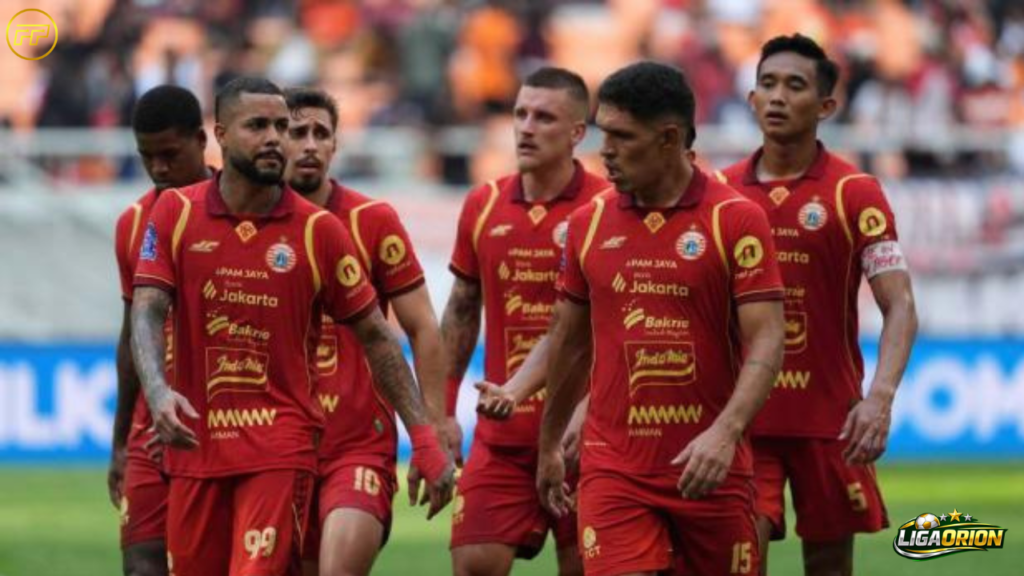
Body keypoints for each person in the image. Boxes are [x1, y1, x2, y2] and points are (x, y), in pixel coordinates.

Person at [130, 76, 454, 576]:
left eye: (281, 126)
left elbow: (377, 336)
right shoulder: (174, 213)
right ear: (221, 134)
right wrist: (156, 390)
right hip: (197, 451)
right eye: (258, 126)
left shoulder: (319, 230)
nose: (275, 139)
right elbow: (147, 308)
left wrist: (425, 437)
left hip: (280, 449)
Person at [537, 61, 786, 576]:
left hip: (709, 466)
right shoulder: (587, 224)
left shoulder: (736, 219)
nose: (605, 149)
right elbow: (569, 343)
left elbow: (767, 339)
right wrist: (549, 446)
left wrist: (726, 432)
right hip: (614, 469)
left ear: (669, 138)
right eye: (603, 132)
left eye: (622, 136)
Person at [716, 34, 918, 576]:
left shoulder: (855, 192)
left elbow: (899, 303)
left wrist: (880, 398)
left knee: (829, 566)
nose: (778, 96)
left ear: (826, 106)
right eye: (767, 84)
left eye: (795, 85)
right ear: (752, 99)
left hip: (830, 421)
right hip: (743, 422)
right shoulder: (719, 193)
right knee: (738, 558)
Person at [441, 66, 610, 576]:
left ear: (577, 132)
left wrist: (591, 410)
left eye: (544, 117)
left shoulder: (606, 207)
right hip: (503, 435)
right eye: (520, 114)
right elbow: (462, 308)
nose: (526, 128)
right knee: (472, 564)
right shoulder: (484, 203)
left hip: (586, 436)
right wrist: (443, 410)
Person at [281, 87, 450, 576]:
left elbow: (422, 326)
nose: (310, 144)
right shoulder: (255, 228)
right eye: (298, 132)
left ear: (335, 145)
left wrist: (433, 428)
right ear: (275, 140)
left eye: (321, 134)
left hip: (359, 444)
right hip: (278, 444)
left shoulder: (372, 221)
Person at [109, 84, 212, 576]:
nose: (159, 168)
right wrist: (120, 442)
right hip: (151, 428)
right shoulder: (133, 224)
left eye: (170, 154)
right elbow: (131, 334)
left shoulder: (243, 213)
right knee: (142, 564)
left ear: (202, 140)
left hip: (229, 424)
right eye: (147, 157)